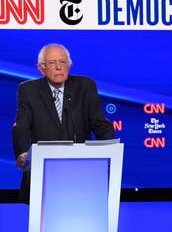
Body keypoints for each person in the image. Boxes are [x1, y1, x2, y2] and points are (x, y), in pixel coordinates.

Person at [11, 43, 115, 203]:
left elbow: (100, 123)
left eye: (63, 62)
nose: (59, 67)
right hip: (43, 172)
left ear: (69, 65)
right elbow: (22, 126)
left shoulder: (85, 87)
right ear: (41, 68)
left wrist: (108, 150)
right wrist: (22, 153)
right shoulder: (28, 90)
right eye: (52, 63)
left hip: (82, 171)